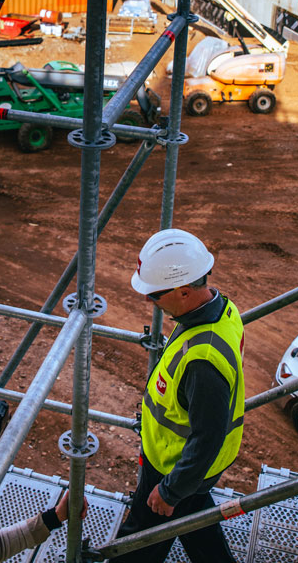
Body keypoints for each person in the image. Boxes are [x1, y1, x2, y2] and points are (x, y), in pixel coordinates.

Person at [111, 229, 245, 563]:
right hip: (186, 466)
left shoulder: (203, 361)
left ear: (184, 291)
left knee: (141, 539)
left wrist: (170, 491)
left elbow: (207, 436)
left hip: (175, 466)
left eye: (154, 294)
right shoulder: (221, 309)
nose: (148, 300)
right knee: (195, 521)